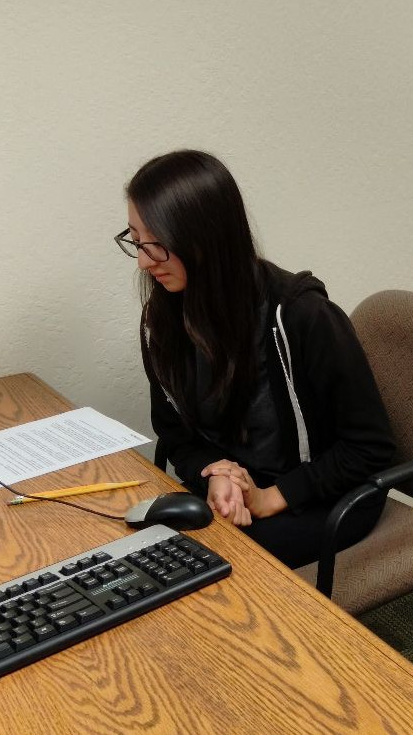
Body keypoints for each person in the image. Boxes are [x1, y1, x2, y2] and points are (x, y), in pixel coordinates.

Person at [116, 149, 395, 569]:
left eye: (155, 244)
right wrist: (216, 472)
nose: (143, 260)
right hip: (236, 490)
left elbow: (369, 448)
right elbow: (174, 433)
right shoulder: (164, 319)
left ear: (204, 238)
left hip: (324, 495)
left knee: (203, 566)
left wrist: (270, 498)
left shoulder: (302, 315)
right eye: (136, 241)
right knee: (137, 547)